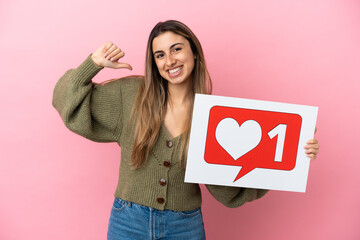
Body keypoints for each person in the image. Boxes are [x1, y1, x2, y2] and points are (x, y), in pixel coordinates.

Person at [52, 20, 319, 240]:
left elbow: (228, 190)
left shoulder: (215, 117)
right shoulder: (130, 95)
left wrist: (294, 154)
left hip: (185, 227)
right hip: (128, 222)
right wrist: (93, 64)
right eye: (160, 55)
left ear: (193, 52)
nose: (169, 61)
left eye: (177, 49)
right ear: (155, 63)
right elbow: (65, 100)